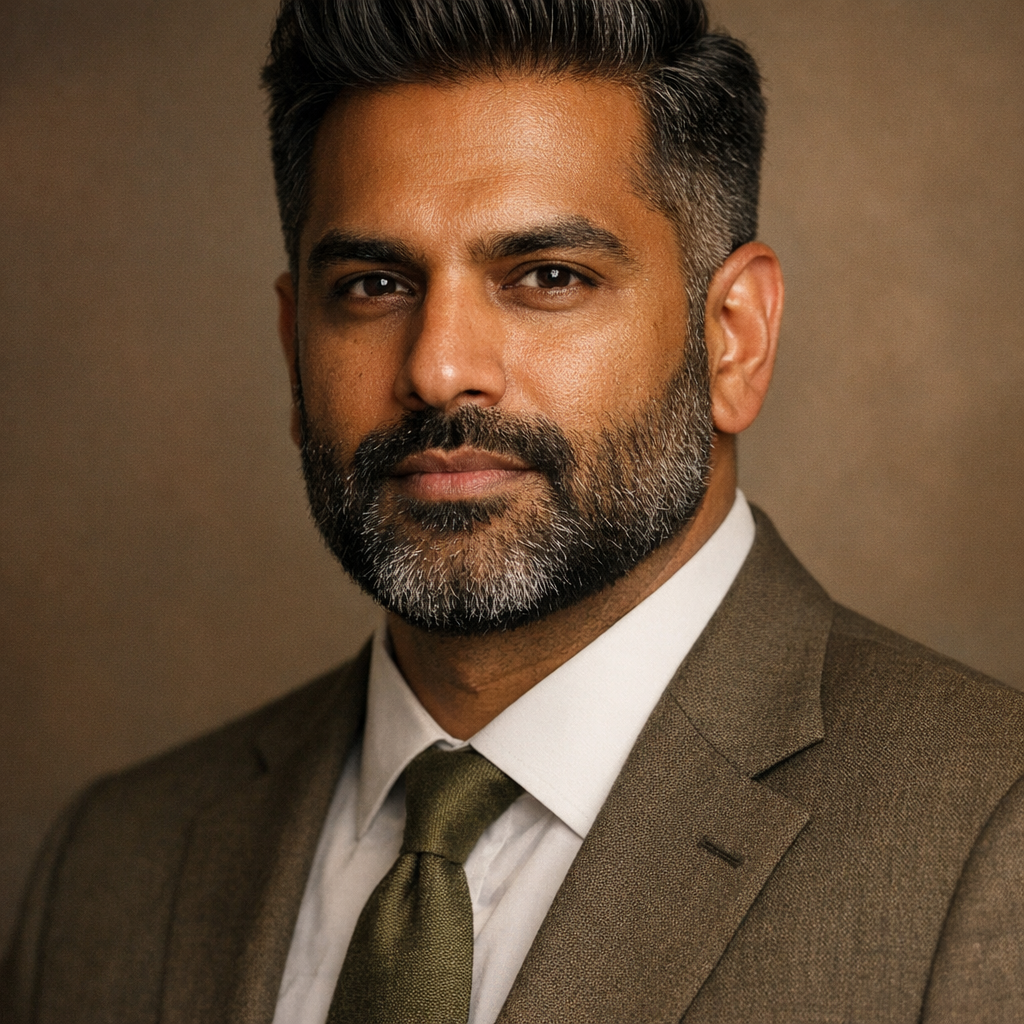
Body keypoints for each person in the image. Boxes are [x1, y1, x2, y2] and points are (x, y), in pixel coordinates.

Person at [3, 0, 1023, 1021]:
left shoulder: (990, 841)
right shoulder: (110, 869)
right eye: (371, 285)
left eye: (547, 277)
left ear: (734, 338)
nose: (439, 368)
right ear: (290, 347)